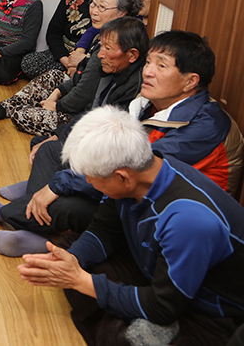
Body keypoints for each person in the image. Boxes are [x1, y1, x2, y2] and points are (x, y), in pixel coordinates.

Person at [0, 30, 239, 259]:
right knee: (52, 149)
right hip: (127, 192)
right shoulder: (154, 103)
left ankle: (0, 213)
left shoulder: (202, 127)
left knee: (66, 200)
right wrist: (59, 140)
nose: (148, 72)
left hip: (153, 216)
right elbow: (101, 131)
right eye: (149, 63)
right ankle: (35, 208)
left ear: (190, 81)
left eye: (160, 66)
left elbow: (127, 172)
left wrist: (56, 185)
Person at [17, 107, 244, 346]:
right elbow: (104, 230)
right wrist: (71, 263)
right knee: (70, 249)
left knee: (120, 337)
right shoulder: (143, 168)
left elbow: (162, 306)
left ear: (123, 177)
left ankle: (125, 325)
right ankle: (124, 318)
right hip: (156, 273)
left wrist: (78, 280)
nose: (89, 182)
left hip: (210, 311)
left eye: (92, 177)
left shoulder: (188, 220)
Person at [0, 17, 149, 256]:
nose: (100, 54)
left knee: (53, 164)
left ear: (133, 55)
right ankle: (37, 194)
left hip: (103, 167)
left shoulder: (135, 91)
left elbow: (105, 141)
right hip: (93, 145)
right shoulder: (113, 71)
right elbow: (92, 116)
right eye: (100, 46)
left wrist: (60, 134)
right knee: (44, 145)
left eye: (107, 48)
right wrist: (56, 136)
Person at [0, 0, 142, 133]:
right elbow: (79, 78)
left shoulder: (114, 45)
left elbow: (84, 93)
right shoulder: (102, 32)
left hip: (86, 116)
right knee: (54, 76)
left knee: (22, 115)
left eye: (102, 7)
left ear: (123, 13)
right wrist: (56, 93)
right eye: (93, 4)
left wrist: (56, 105)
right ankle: (3, 108)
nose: (94, 11)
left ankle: (19, 110)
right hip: (75, 91)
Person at [22, 0, 114, 78]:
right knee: (29, 63)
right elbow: (53, 32)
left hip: (87, 59)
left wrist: (79, 62)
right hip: (63, 55)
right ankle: (65, 77)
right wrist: (65, 60)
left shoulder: (110, 5)